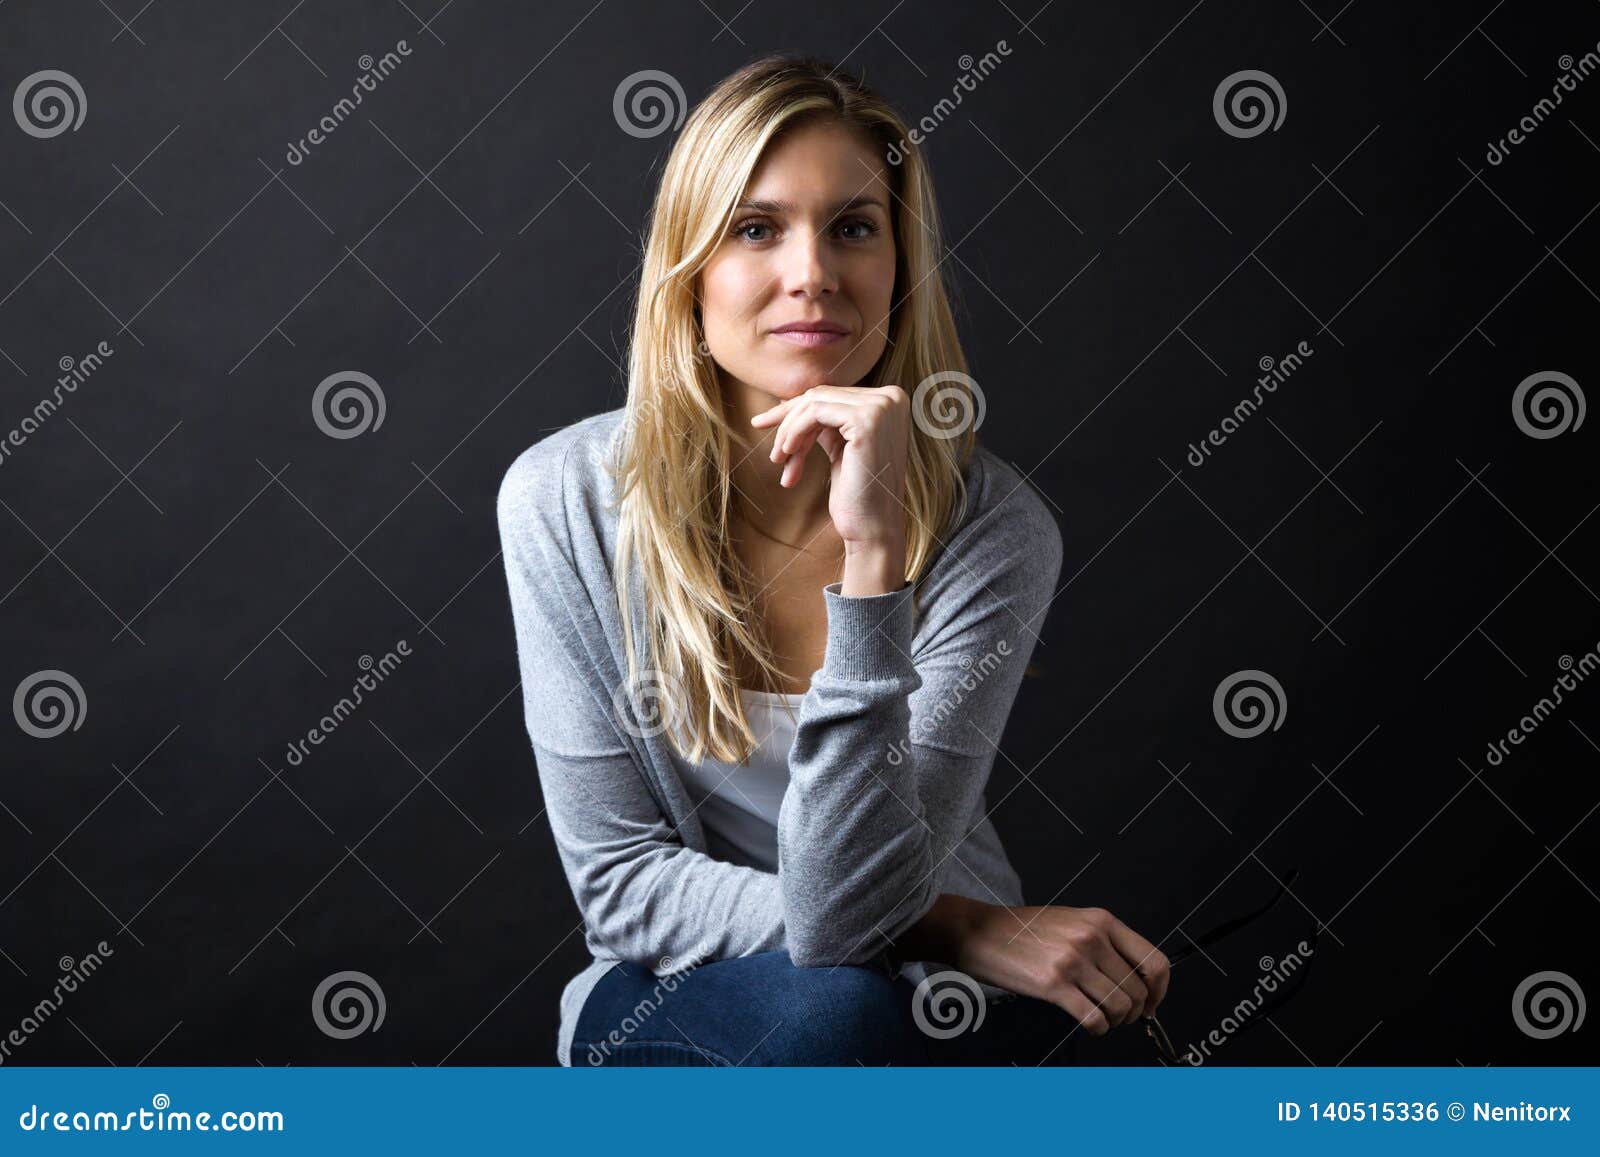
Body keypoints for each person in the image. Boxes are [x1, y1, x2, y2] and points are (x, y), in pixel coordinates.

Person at [495, 53, 1170, 1067]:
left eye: (853, 227)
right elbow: (626, 884)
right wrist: (968, 925)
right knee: (830, 1019)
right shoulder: (566, 498)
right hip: (667, 988)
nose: (811, 272)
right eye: (756, 228)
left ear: (900, 266)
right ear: (691, 269)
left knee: (1096, 1050)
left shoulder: (993, 526)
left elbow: (856, 909)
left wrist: (874, 557)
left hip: (932, 995)